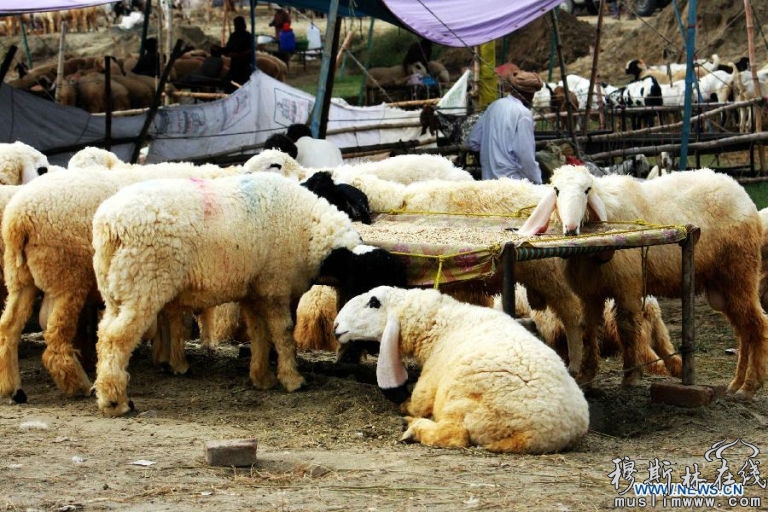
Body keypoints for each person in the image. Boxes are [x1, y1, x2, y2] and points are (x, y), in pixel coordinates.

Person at [466, 67, 543, 183]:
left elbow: (473, 141)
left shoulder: (493, 106)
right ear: (529, 94)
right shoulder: (523, 114)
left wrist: (490, 160)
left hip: (488, 183)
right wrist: (538, 181)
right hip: (513, 185)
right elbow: (525, 157)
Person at [222, 15, 252, 88]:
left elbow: (250, 50)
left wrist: (238, 55)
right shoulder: (235, 36)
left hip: (244, 66)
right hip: (235, 66)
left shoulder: (246, 36)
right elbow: (228, 49)